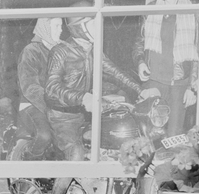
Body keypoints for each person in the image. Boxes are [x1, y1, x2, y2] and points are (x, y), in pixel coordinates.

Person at [44, 10, 144, 161]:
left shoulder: (94, 51)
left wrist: (141, 90)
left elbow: (116, 73)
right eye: (93, 24)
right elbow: (51, 89)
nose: (99, 29)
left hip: (85, 113)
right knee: (76, 154)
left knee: (114, 140)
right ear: (79, 27)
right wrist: (83, 98)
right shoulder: (60, 52)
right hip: (62, 118)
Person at [134, 0, 198, 137]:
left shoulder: (193, 12)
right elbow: (139, 41)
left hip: (179, 86)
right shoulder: (150, 9)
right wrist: (140, 62)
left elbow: (198, 52)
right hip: (153, 81)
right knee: (148, 134)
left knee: (174, 136)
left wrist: (192, 88)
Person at [10, 18, 61, 160]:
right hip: (32, 105)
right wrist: (53, 103)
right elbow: (29, 86)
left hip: (59, 105)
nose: (61, 30)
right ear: (45, 28)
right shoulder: (31, 51)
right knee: (44, 136)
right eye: (57, 26)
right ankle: (29, 161)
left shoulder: (62, 50)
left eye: (61, 26)